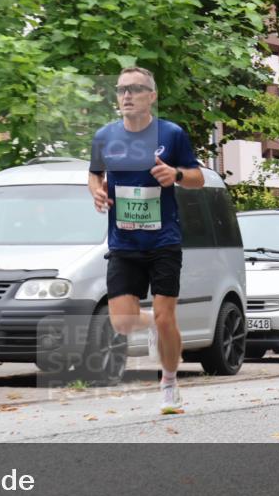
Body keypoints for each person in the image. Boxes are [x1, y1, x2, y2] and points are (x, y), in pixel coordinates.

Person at [87, 66, 204, 414]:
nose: (127, 95)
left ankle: (168, 383)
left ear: (151, 96)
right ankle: (155, 324)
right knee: (122, 323)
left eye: (136, 89)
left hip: (163, 241)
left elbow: (197, 177)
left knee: (168, 317)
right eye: (122, 89)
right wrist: (97, 193)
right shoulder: (105, 137)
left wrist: (176, 174)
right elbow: (94, 175)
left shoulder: (172, 134)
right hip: (123, 243)